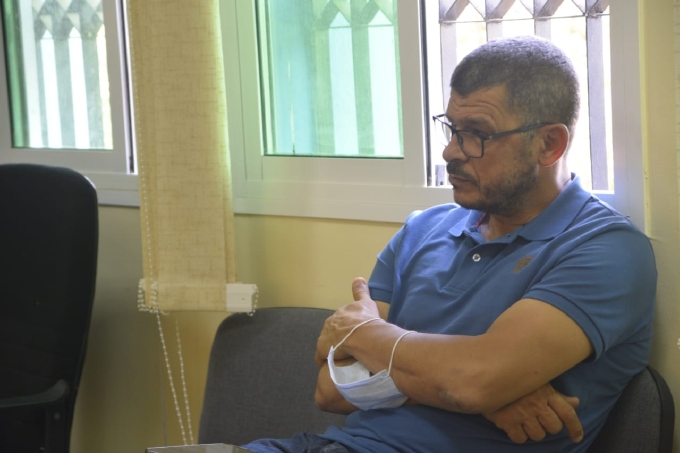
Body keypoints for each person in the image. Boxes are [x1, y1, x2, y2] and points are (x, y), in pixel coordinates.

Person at [243, 35, 657, 453]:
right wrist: (466, 392)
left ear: (549, 144)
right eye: (452, 129)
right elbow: (331, 390)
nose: (449, 152)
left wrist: (364, 335)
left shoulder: (608, 250)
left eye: (476, 134)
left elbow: (473, 381)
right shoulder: (422, 229)